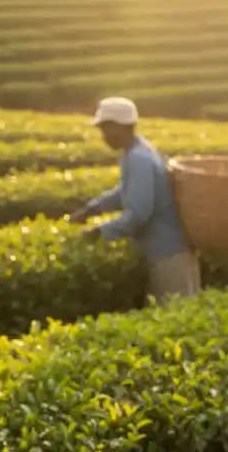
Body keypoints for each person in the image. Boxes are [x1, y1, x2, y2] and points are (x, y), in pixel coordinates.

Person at [68, 97, 201, 302]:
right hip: (167, 252)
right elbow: (125, 192)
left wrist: (100, 232)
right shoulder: (137, 151)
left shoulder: (140, 159)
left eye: (107, 128)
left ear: (124, 127)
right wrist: (92, 209)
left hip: (168, 255)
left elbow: (139, 213)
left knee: (174, 315)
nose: (104, 136)